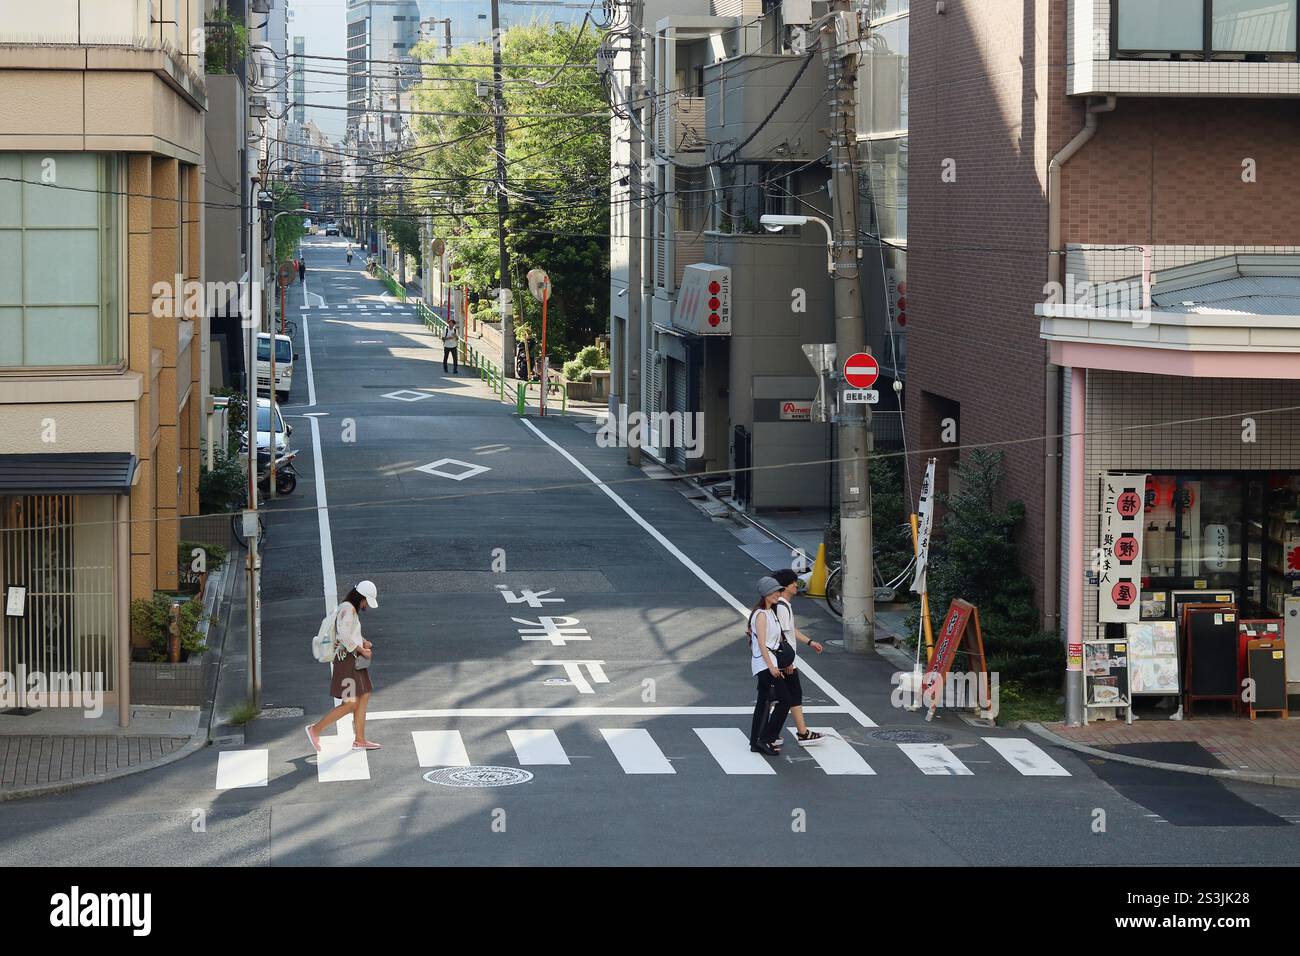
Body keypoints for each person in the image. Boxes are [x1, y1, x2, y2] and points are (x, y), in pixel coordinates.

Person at [306, 581, 382, 753]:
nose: (366, 606)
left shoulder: (348, 609)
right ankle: (315, 730)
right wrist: (363, 649)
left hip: (352, 661)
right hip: (347, 662)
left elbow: (351, 633)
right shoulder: (348, 610)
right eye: (366, 602)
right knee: (349, 703)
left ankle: (360, 740)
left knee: (364, 695)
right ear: (361, 597)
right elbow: (344, 636)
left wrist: (363, 641)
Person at [772, 568, 826, 744]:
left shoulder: (784, 604)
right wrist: (787, 661)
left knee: (787, 696)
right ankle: (799, 733)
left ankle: (777, 732)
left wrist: (810, 642)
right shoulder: (781, 606)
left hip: (785, 658)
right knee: (789, 696)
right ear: (785, 586)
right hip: (784, 659)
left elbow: (791, 630)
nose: (796, 584)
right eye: (793, 582)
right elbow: (781, 634)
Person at [749, 576, 794, 756]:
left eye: (779, 590)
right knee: (785, 700)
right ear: (765, 593)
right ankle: (766, 738)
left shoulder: (771, 612)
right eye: (774, 591)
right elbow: (762, 643)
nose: (778, 594)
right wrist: (772, 666)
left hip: (769, 663)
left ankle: (756, 741)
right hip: (765, 664)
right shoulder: (761, 614)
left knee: (763, 702)